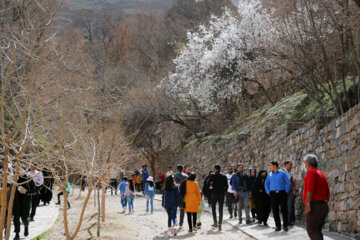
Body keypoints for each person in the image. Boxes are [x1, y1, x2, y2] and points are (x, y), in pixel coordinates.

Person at [303, 154, 330, 240]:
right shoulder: (321, 174)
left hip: (315, 206)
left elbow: (310, 189)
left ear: (308, 163)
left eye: (305, 162)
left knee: (312, 229)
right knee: (317, 230)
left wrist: (307, 204)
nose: (304, 164)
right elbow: (327, 190)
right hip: (323, 206)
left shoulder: (311, 172)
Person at [265, 161, 290, 231]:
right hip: (273, 194)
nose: (270, 167)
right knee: (275, 210)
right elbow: (266, 184)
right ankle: (278, 226)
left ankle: (285, 226)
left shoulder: (283, 173)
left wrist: (286, 191)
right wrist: (268, 191)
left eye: (271, 165)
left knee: (284, 210)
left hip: (282, 193)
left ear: (275, 166)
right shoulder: (269, 175)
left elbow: (287, 182)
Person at [13, 167, 35, 240]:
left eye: (21, 170)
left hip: (26, 201)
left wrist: (26, 192)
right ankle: (17, 234)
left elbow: (34, 191)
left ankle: (26, 227)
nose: (20, 171)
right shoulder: (15, 179)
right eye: (18, 170)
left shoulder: (29, 179)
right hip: (16, 201)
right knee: (16, 217)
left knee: (25, 217)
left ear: (25, 170)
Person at [208, 164, 228, 231]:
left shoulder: (212, 175)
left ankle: (215, 222)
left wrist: (211, 186)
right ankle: (220, 224)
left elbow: (208, 183)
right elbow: (227, 186)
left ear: (215, 169)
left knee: (213, 208)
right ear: (220, 169)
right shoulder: (224, 176)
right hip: (221, 194)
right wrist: (224, 191)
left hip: (214, 193)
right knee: (220, 209)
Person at [283, 160, 299, 225]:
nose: (291, 166)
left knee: (289, 206)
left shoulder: (291, 172)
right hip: (284, 191)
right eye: (290, 165)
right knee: (284, 206)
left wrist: (295, 190)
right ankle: (286, 220)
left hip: (290, 191)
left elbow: (293, 182)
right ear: (286, 165)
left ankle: (288, 220)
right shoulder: (282, 172)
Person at [173, 164, 188, 229]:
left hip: (175, 193)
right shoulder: (186, 176)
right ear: (182, 169)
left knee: (174, 208)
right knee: (182, 209)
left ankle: (174, 222)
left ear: (177, 169)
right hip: (183, 193)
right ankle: (180, 224)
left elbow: (173, 184)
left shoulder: (174, 175)